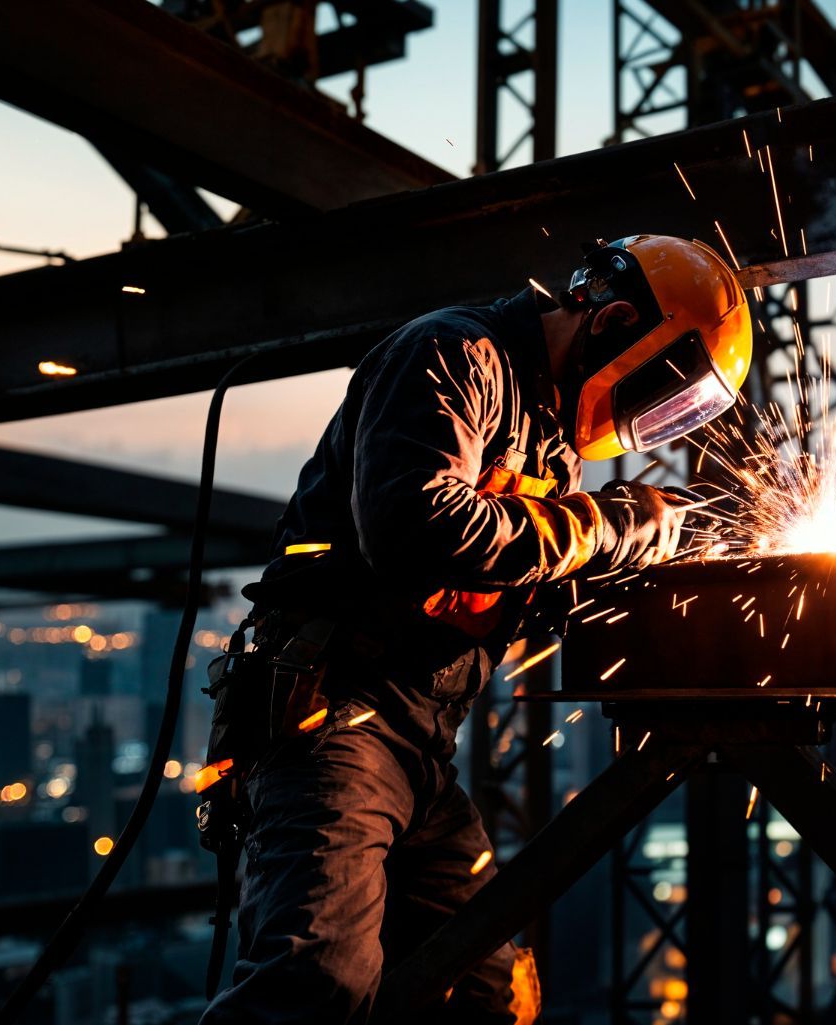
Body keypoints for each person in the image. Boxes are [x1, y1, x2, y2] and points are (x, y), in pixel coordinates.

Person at [198, 235, 752, 1023]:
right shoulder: (457, 357)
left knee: (489, 991)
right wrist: (602, 527)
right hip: (333, 722)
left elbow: (522, 566)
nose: (643, 423)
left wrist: (625, 573)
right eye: (658, 391)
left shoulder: (552, 449)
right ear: (615, 321)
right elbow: (410, 525)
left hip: (420, 747)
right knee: (314, 986)